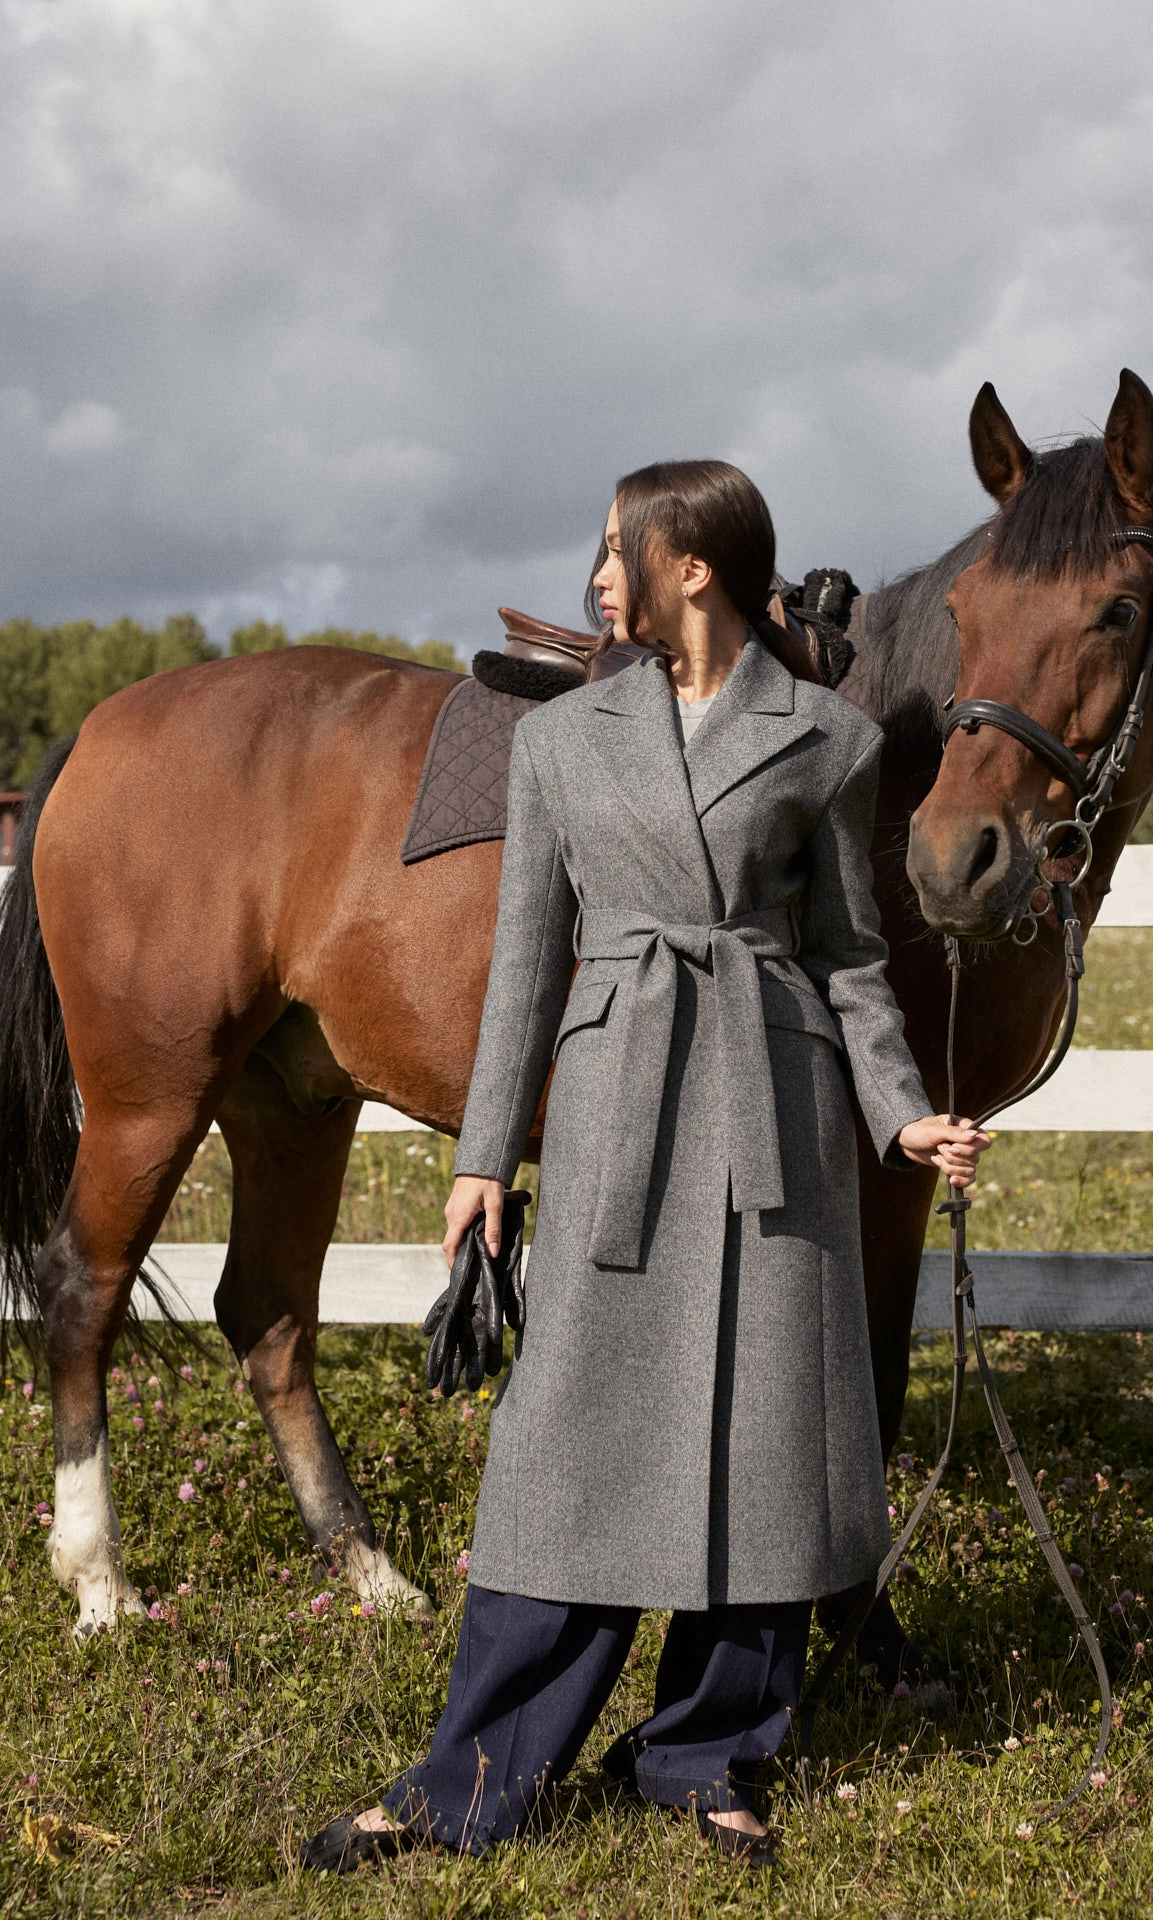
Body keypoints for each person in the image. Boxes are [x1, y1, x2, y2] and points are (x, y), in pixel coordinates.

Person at [301, 460, 989, 1874]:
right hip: (621, 1103)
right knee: (566, 1443)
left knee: (768, 1439)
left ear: (696, 567)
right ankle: (471, 1779)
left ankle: (705, 1754)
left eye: (620, 551)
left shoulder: (827, 741)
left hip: (777, 1103)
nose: (598, 577)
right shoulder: (564, 742)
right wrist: (483, 1156)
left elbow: (853, 958)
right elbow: (527, 971)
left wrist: (902, 1113)